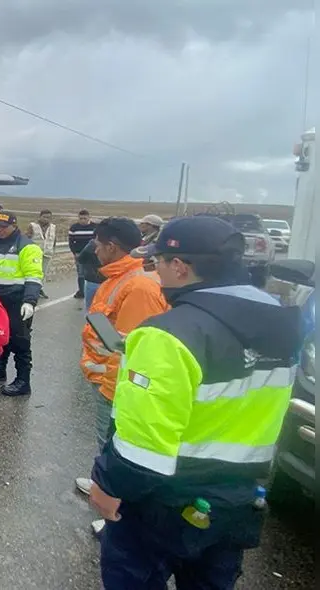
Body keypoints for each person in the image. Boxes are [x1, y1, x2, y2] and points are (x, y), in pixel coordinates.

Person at [88, 216, 302, 589]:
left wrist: (107, 487)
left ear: (181, 267)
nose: (155, 273)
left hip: (164, 500)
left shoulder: (167, 334)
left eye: (158, 264)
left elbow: (144, 442)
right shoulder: (285, 322)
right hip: (237, 496)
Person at [73, 218, 170, 535]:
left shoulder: (139, 287)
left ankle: (117, 512)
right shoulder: (118, 279)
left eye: (98, 245)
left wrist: (111, 384)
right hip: (107, 380)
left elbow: (134, 349)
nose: (95, 250)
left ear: (111, 246)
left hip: (120, 387)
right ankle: (104, 482)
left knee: (118, 446)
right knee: (107, 443)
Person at [0, 211, 44, 396]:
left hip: (18, 301)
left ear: (14, 226)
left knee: (20, 342)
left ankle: (23, 381)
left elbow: (34, 277)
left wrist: (29, 301)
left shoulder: (27, 247)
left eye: (3, 227)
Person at [26, 209, 57, 299]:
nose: (46, 219)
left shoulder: (53, 227)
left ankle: (40, 289)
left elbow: (54, 240)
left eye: (48, 217)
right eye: (44, 217)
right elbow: (27, 238)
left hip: (47, 253)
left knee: (43, 273)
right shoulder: (33, 226)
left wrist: (53, 250)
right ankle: (31, 290)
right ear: (40, 217)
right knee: (33, 272)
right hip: (34, 254)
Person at [69, 210, 98, 299]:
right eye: (81, 218)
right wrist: (74, 252)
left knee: (94, 273)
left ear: (89, 217)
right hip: (79, 254)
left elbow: (99, 241)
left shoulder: (95, 227)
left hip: (93, 255)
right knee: (81, 274)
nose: (83, 220)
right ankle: (81, 291)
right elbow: (71, 242)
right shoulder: (74, 228)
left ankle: (96, 292)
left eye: (85, 218)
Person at [76, 239, 105, 313]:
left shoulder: (92, 245)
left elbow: (80, 259)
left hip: (92, 280)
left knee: (90, 309)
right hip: (107, 281)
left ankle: (91, 323)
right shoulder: (115, 245)